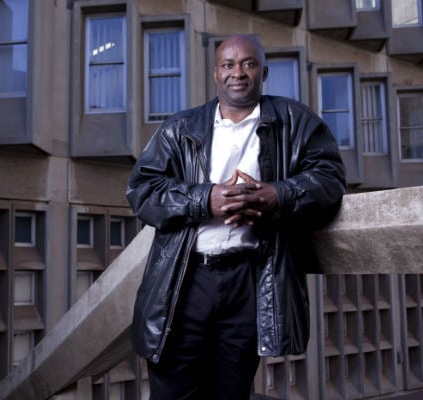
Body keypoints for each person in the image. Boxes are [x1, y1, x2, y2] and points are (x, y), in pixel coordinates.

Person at [126, 34, 346, 399]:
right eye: (228, 64)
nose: (238, 73)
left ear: (264, 72)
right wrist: (204, 199)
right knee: (172, 390)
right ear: (216, 73)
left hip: (251, 277)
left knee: (232, 390)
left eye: (248, 63)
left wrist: (278, 194)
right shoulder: (180, 129)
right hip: (186, 279)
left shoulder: (296, 120)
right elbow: (143, 191)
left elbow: (331, 178)